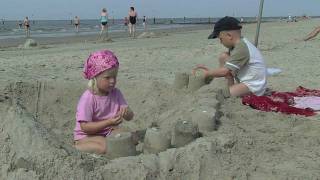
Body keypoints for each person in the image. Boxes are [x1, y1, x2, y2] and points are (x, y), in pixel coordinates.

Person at [74, 50, 134, 154]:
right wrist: (109, 122)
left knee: (132, 139)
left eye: (114, 77)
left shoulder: (116, 93)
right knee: (105, 147)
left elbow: (130, 117)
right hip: (87, 135)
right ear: (95, 78)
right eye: (107, 77)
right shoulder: (88, 98)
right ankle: (77, 146)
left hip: (107, 131)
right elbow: (85, 127)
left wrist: (127, 112)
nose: (112, 81)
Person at [192, 16, 267, 97]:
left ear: (229, 36)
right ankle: (230, 86)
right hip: (247, 79)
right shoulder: (237, 45)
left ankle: (232, 89)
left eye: (221, 39)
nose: (221, 42)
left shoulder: (241, 48)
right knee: (223, 56)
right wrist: (211, 72)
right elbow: (227, 66)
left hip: (254, 85)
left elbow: (225, 71)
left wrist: (207, 73)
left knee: (225, 94)